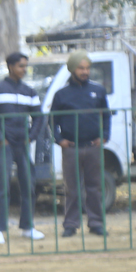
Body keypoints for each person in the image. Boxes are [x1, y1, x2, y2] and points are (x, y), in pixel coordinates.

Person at [0, 51, 44, 244]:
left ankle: (27, 227)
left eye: (26, 66)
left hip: (22, 143)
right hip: (5, 144)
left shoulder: (29, 91)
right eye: (21, 66)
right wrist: (0, 138)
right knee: (3, 186)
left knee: (28, 184)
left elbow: (39, 117)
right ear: (10, 67)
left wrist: (31, 137)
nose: (24, 70)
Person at [51, 50, 111, 237]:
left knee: (95, 187)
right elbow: (52, 120)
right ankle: (70, 225)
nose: (85, 72)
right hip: (71, 148)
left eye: (87, 68)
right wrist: (59, 140)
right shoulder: (61, 94)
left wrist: (104, 136)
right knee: (72, 189)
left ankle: (96, 223)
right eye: (81, 68)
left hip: (93, 147)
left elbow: (106, 115)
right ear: (72, 69)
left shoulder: (98, 90)